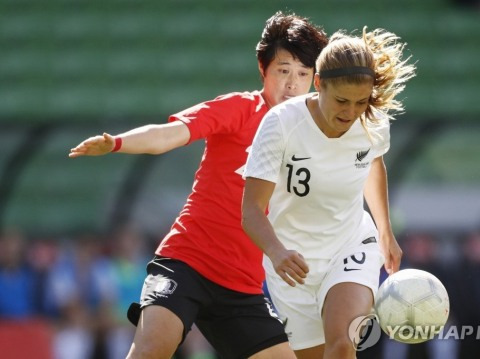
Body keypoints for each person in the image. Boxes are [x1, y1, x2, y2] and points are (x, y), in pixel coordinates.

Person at [69, 11, 327, 359]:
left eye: (303, 74)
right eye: (283, 70)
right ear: (263, 70)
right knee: (153, 348)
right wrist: (116, 142)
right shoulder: (239, 109)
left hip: (242, 288)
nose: (292, 84)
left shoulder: (314, 140)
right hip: (186, 263)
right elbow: (167, 136)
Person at [242, 26, 416, 359]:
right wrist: (277, 252)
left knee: (341, 344)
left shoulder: (372, 123)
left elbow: (372, 165)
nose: (350, 112)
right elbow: (251, 209)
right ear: (319, 83)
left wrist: (384, 230)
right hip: (294, 267)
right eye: (341, 101)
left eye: (360, 102)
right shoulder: (280, 123)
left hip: (350, 246)